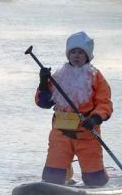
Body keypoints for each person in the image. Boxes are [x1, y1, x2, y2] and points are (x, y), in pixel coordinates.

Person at [35, 31, 113, 186]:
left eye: (80, 53)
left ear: (87, 56)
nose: (76, 56)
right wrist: (43, 82)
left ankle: (97, 180)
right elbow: (43, 103)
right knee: (52, 177)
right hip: (60, 134)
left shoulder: (96, 77)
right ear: (68, 55)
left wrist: (95, 118)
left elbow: (104, 103)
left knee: (94, 180)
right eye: (73, 52)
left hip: (87, 134)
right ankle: (61, 180)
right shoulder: (58, 76)